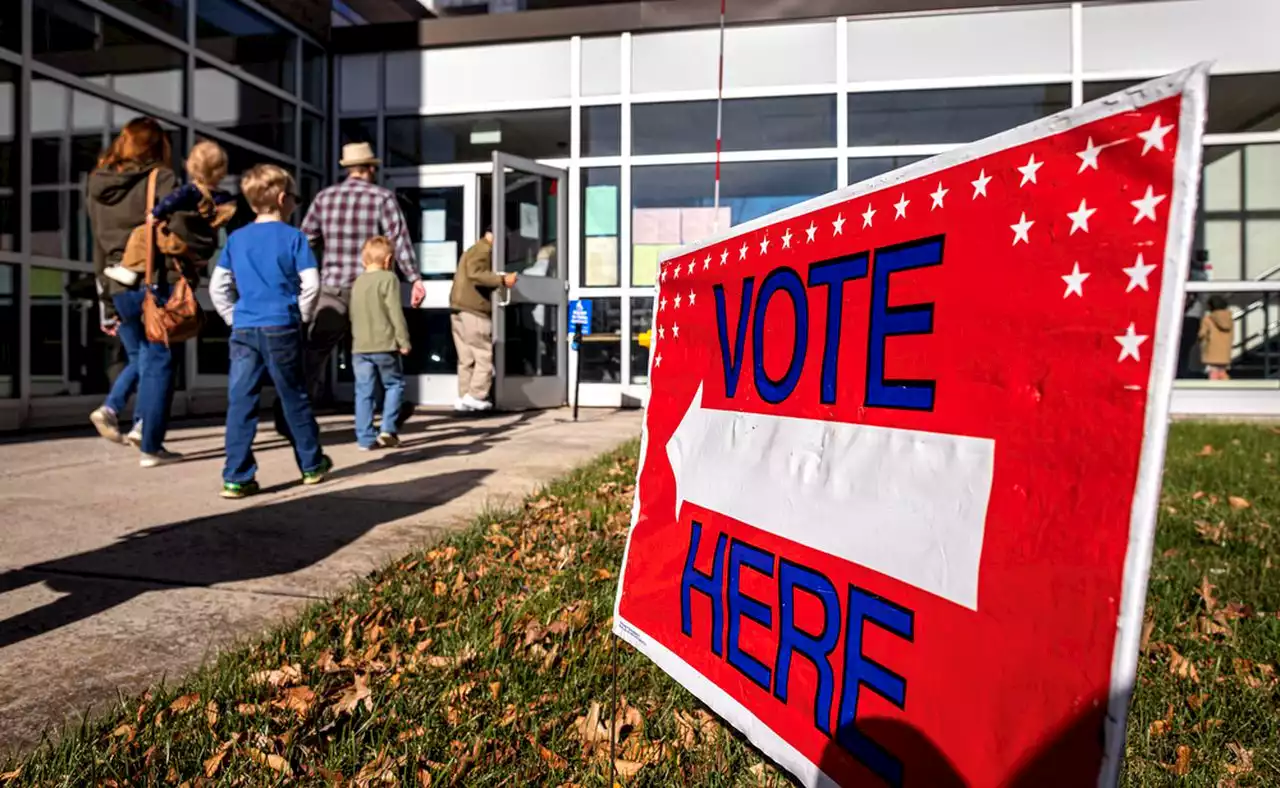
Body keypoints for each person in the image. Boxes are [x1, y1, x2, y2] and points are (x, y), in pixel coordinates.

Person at [284, 142, 424, 439]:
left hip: (332, 290)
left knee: (314, 355)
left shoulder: (324, 198)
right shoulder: (382, 198)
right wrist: (414, 278)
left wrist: (298, 278)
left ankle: (291, 417)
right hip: (369, 293)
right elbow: (398, 241)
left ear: (347, 168)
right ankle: (388, 418)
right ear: (370, 168)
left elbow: (304, 240)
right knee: (375, 353)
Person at [211, 164, 332, 499]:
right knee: (293, 394)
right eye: (293, 197)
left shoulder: (236, 239)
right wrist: (301, 317)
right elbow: (311, 284)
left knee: (241, 400)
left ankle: (236, 476)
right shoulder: (294, 238)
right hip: (282, 324)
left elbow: (219, 286)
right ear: (282, 199)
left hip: (245, 327)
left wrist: (232, 317)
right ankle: (311, 464)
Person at [85, 117, 185, 466]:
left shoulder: (97, 182)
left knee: (143, 357)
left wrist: (105, 295)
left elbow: (97, 244)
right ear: (158, 146)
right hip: (152, 280)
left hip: (116, 283)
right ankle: (150, 446)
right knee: (160, 360)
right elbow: (179, 230)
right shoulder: (162, 178)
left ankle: (124, 416)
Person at [101, 140, 236, 287]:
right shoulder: (225, 198)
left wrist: (155, 214)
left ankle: (130, 268)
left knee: (142, 234)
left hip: (178, 240)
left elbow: (171, 201)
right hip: (200, 247)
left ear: (192, 166)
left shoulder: (191, 191)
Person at [350, 236, 411, 450]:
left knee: (364, 392)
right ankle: (388, 429)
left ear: (363, 260)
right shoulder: (388, 279)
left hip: (360, 347)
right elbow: (394, 311)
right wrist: (403, 340)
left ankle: (365, 438)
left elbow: (353, 313)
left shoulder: (357, 281)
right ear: (388, 260)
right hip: (384, 344)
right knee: (394, 384)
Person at [449, 227, 517, 411]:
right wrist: (501, 280)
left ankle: (464, 398)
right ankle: (476, 394)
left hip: (459, 309)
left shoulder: (472, 249)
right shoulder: (483, 250)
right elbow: (475, 274)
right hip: (474, 309)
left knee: (466, 358)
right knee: (483, 355)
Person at [1199, 295, 1234, 381]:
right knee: (1222, 371)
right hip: (1225, 351)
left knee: (1213, 372)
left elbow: (1202, 334)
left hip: (1212, 351)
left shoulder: (1208, 319)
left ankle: (1214, 390)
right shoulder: (1229, 319)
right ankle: (1226, 387)